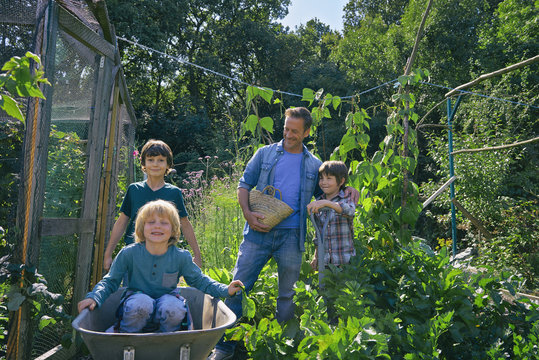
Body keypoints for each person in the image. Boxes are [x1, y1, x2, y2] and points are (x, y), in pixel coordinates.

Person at [209, 107, 359, 360]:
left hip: (291, 236)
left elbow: (325, 191)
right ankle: (223, 348)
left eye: (295, 131)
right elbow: (244, 184)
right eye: (286, 129)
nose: (289, 134)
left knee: (287, 295)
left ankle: (282, 347)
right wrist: (247, 212)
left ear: (307, 132)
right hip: (257, 232)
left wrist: (349, 189)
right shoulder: (265, 154)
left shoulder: (313, 164)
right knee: (237, 287)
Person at [78, 200, 243, 333]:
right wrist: (94, 296)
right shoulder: (129, 253)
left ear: (173, 230)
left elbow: (200, 280)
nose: (157, 226)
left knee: (173, 307)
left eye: (164, 223)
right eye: (151, 222)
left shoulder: (180, 256)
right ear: (142, 228)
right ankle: (125, 335)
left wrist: (225, 290)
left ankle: (166, 339)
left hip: (167, 302)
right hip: (136, 303)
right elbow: (111, 280)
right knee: (141, 303)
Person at [104, 139, 202, 272]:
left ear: (168, 164)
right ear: (143, 163)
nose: (155, 164)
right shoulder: (134, 190)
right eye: (151, 160)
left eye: (161, 160)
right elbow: (121, 222)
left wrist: (197, 255)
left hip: (164, 256)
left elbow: (184, 223)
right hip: (134, 257)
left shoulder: (174, 193)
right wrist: (108, 254)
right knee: (134, 293)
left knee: (164, 292)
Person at [307, 160, 356, 270]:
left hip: (344, 260)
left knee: (343, 286)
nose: (324, 182)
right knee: (325, 286)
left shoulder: (346, 198)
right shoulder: (319, 202)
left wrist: (328, 204)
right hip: (325, 261)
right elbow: (318, 233)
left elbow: (350, 211)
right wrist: (316, 257)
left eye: (329, 179)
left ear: (341, 181)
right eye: (321, 178)